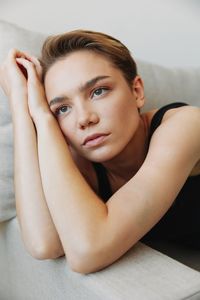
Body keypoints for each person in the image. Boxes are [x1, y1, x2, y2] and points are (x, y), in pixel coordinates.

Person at [0, 30, 200, 274]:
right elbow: (44, 244)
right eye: (62, 109)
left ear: (136, 91)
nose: (84, 119)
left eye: (98, 91)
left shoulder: (187, 126)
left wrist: (46, 114)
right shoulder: (78, 161)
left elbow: (87, 253)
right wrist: (27, 109)